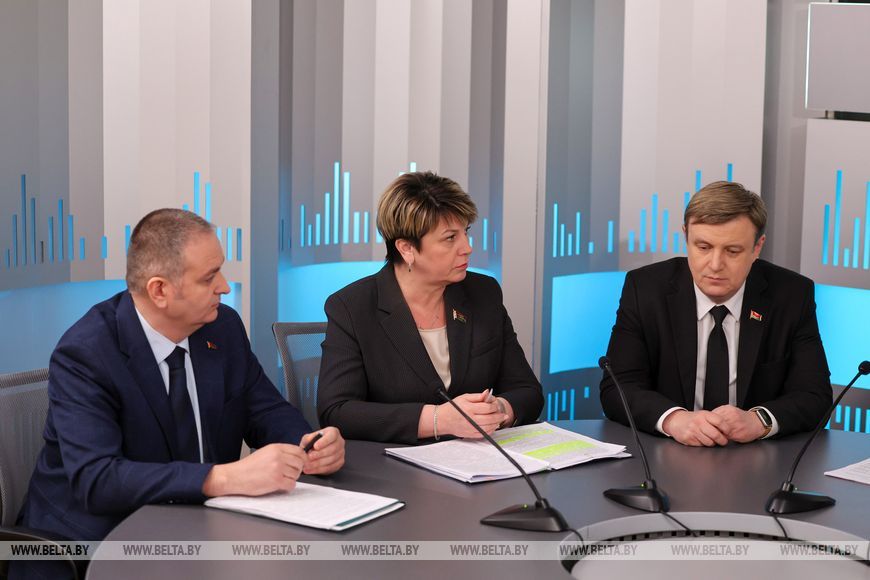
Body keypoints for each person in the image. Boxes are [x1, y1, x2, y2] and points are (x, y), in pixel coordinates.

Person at [18, 209, 345, 543]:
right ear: (159, 290)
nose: (224, 287)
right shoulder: (87, 353)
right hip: (99, 542)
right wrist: (222, 478)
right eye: (209, 278)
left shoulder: (223, 327)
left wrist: (308, 444)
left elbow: (264, 410)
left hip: (202, 528)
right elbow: (99, 479)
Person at [318, 171, 543, 444]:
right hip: (392, 463)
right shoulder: (352, 307)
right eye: (450, 238)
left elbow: (527, 390)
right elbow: (337, 411)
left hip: (477, 459)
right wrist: (437, 419)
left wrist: (499, 409)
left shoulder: (483, 293)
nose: (467, 248)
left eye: (466, 232)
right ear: (407, 248)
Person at [600, 181, 832, 446]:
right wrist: (675, 419)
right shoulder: (645, 289)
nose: (715, 264)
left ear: (757, 247)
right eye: (703, 247)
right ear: (686, 236)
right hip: (667, 452)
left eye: (732, 251)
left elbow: (815, 395)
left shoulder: (791, 295)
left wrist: (759, 421)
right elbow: (617, 388)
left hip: (757, 456)